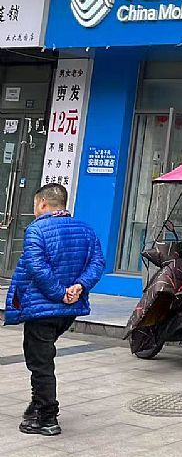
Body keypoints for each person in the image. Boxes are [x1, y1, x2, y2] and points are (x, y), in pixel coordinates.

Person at [3, 183, 104, 436]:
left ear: (43, 203)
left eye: (35, 205)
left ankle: (46, 417)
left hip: (43, 308)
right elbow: (97, 263)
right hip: (67, 311)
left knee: (40, 362)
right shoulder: (86, 229)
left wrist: (60, 293)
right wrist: (79, 287)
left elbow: (37, 267)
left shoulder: (37, 230)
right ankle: (37, 405)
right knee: (42, 355)